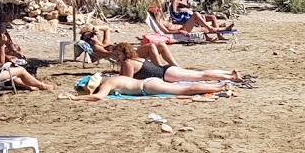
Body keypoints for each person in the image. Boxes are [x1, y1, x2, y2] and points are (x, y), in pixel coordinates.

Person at [103, 42, 251, 86]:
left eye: (118, 54)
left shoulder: (128, 63)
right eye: (115, 54)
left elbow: (127, 81)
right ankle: (228, 73)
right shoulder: (134, 60)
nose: (116, 57)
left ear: (125, 54)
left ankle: (231, 78)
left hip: (167, 75)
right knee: (200, 74)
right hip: (167, 71)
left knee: (201, 76)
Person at [69, 72, 232, 101]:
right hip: (149, 82)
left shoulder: (108, 84)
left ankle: (220, 88)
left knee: (185, 90)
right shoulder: (112, 78)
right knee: (183, 88)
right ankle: (219, 87)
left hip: (147, 88)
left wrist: (77, 99)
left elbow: (98, 97)